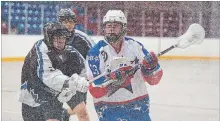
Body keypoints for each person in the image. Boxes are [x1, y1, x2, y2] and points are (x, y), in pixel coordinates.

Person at [86, 10, 163, 121]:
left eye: (115, 26)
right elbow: (95, 91)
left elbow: (154, 80)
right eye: (108, 26)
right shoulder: (95, 53)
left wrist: (151, 68)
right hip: (109, 108)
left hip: (137, 105)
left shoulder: (135, 47)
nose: (111, 29)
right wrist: (113, 79)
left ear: (123, 28)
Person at [18, 22, 89, 121]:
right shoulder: (40, 48)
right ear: (49, 39)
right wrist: (69, 83)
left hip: (54, 97)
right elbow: (47, 76)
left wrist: (81, 82)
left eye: (63, 39)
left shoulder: (71, 52)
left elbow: (84, 71)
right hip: (32, 98)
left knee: (80, 113)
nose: (60, 42)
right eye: (56, 39)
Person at [57, 8, 95, 119]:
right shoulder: (52, 39)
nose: (68, 24)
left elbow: (96, 55)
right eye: (65, 21)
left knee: (81, 110)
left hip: (78, 80)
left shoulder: (82, 38)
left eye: (71, 21)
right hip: (58, 79)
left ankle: (65, 114)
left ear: (74, 23)